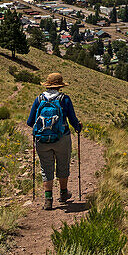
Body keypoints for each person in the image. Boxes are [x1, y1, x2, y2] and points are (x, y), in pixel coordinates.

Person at [27, 72, 82, 210]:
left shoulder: (39, 99)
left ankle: (48, 199)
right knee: (63, 165)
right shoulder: (64, 99)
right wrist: (78, 127)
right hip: (62, 138)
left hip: (42, 140)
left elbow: (30, 122)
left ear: (47, 85)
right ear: (60, 86)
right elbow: (72, 119)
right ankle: (63, 194)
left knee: (46, 168)